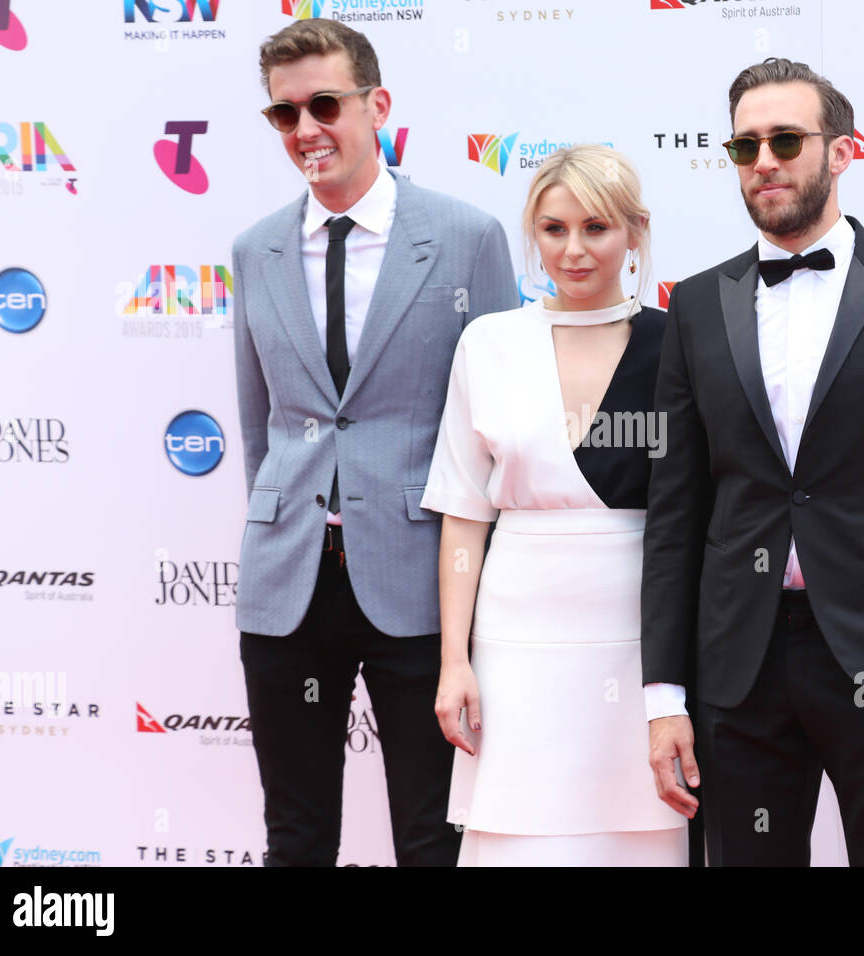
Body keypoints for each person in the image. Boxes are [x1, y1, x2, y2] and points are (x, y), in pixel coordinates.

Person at [641, 58, 864, 866]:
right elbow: (675, 515)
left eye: (784, 139)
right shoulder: (696, 305)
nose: (764, 161)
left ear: (841, 152)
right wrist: (664, 694)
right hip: (737, 664)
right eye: (745, 146)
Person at [231, 19, 516, 866]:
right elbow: (259, 424)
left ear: (377, 105)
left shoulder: (467, 238)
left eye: (324, 104)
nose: (306, 130)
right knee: (297, 833)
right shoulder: (255, 250)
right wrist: (286, 522)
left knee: (434, 837)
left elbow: (497, 421)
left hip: (423, 585)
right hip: (290, 586)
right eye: (285, 115)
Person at [421, 145, 688, 866]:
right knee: (519, 839)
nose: (573, 250)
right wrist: (454, 661)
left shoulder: (678, 344)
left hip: (641, 638)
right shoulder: (489, 343)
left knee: (638, 836)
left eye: (596, 228)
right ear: (532, 234)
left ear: (634, 232)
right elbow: (463, 515)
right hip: (513, 643)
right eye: (553, 228)